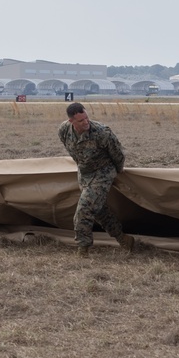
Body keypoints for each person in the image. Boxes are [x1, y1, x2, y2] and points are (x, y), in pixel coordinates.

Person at [58, 102, 135, 257]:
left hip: (103, 173)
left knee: (84, 209)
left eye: (87, 118)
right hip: (84, 174)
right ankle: (123, 239)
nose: (86, 122)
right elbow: (71, 150)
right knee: (98, 210)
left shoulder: (102, 133)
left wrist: (117, 172)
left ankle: (83, 249)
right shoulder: (64, 130)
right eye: (81, 121)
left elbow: (118, 155)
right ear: (71, 121)